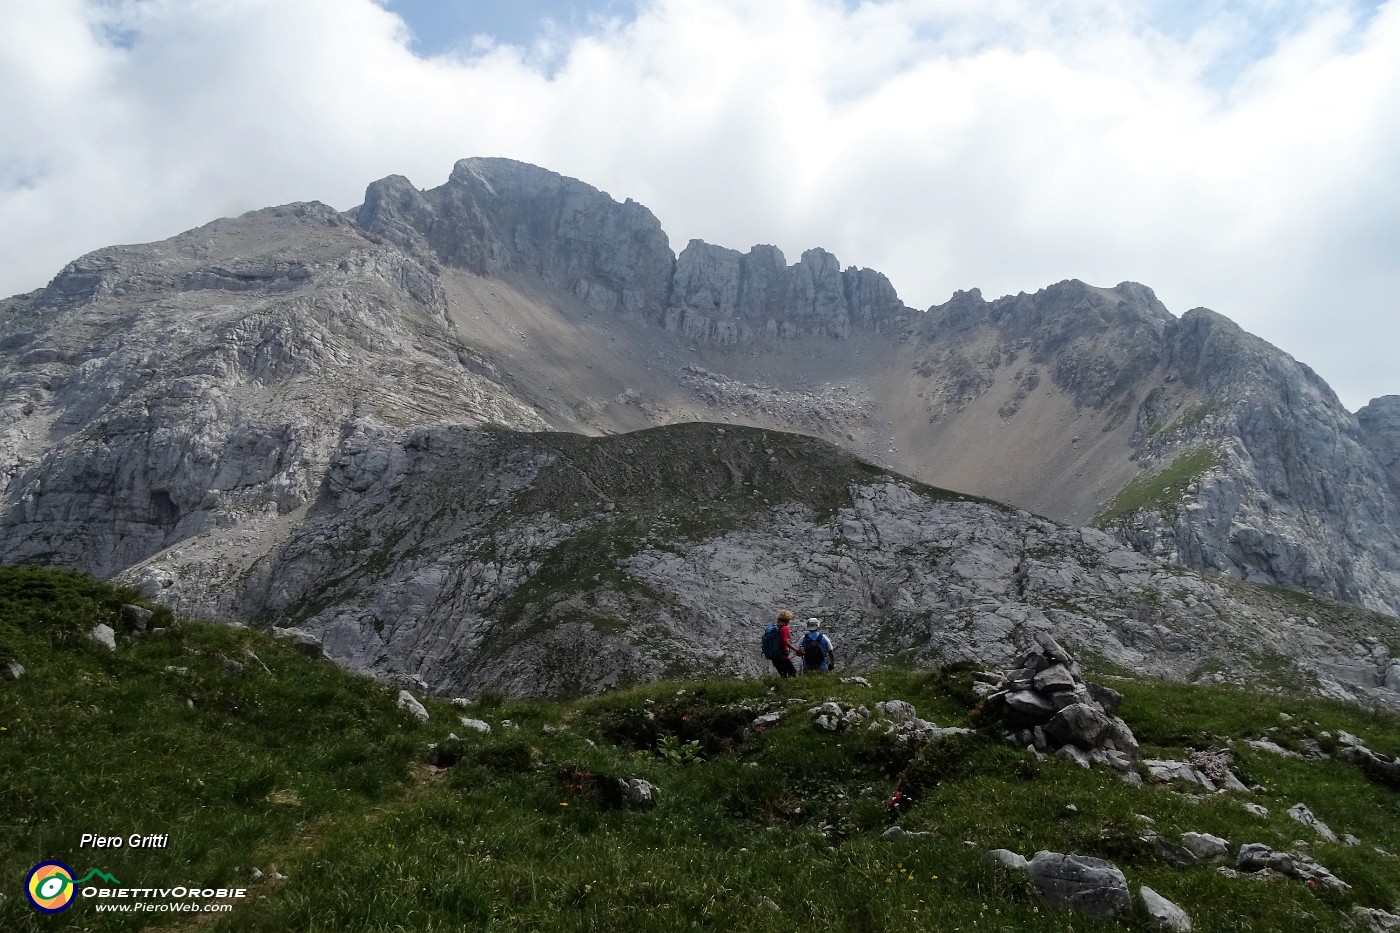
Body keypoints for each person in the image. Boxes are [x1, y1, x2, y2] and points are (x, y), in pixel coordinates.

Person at [765, 609, 800, 678]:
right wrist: (796, 650)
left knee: (783, 675)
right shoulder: (785, 628)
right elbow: (785, 642)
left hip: (774, 656)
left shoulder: (776, 627)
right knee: (793, 673)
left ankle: (782, 687)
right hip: (783, 656)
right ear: (787, 619)